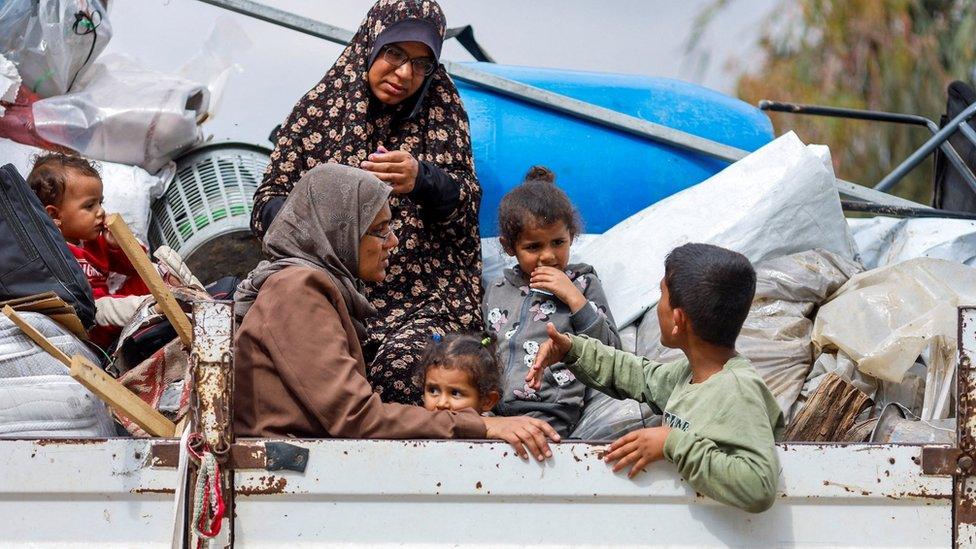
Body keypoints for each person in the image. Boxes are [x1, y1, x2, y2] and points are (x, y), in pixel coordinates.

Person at [234, 163, 559, 461]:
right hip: (286, 471)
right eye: (379, 230)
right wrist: (481, 427)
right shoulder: (297, 289)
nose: (393, 242)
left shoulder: (315, 286)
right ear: (340, 231)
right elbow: (355, 417)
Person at [249, 0, 482, 406]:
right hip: (330, 295)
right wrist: (329, 209)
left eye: (422, 63)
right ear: (370, 44)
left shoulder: (442, 111)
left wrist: (423, 179)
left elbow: (467, 210)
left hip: (424, 300)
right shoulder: (320, 110)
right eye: (395, 53)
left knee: (403, 371)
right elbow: (266, 208)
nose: (405, 73)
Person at [526, 243, 784, 513]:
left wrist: (671, 442)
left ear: (678, 319)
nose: (657, 305)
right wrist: (572, 349)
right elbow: (638, 374)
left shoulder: (738, 389)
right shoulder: (690, 376)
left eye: (662, 295)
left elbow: (760, 485)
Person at [484, 166, 619, 438]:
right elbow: (484, 345)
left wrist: (573, 297)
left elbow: (612, 350)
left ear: (572, 236)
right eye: (534, 247)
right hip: (493, 411)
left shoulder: (583, 284)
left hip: (550, 409)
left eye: (558, 242)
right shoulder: (497, 289)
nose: (548, 255)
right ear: (509, 247)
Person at [27, 153, 150, 348]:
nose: (100, 211)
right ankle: (154, 308)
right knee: (114, 307)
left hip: (114, 306)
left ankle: (166, 300)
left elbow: (139, 266)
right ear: (54, 215)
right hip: (94, 321)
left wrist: (117, 245)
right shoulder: (53, 254)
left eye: (100, 202)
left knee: (158, 272)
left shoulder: (95, 240)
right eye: (90, 205)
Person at [417, 333, 501, 414]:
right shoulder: (419, 426)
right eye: (433, 391)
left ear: (487, 401)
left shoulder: (495, 428)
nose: (441, 404)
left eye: (455, 393)